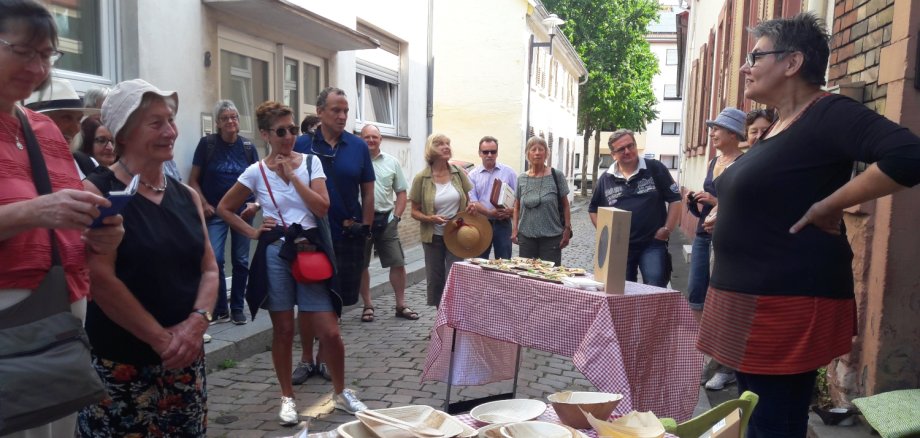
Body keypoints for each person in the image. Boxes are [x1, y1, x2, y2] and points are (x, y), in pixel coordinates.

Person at [699, 13, 920, 438]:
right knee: (757, 415)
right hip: (748, 299)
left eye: (755, 55)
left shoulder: (828, 112)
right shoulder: (777, 125)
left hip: (784, 304)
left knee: (774, 424)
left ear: (792, 62)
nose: (745, 66)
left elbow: (908, 155)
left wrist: (829, 205)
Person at [0, 2, 123, 436]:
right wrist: (35, 211)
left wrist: (99, 235)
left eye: (47, 54)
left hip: (61, 310)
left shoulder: (45, 131)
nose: (37, 66)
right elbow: (42, 211)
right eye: (24, 50)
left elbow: (64, 217)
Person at [78, 79, 219, 436]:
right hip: (122, 366)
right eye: (156, 123)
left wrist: (197, 323)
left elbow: (209, 268)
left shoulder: (186, 196)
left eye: (170, 121)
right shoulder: (96, 191)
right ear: (123, 133)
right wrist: (161, 339)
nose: (170, 131)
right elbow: (99, 279)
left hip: (185, 363)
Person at [217, 101, 367, 424]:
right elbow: (224, 208)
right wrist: (253, 233)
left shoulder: (311, 163)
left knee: (330, 331)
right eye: (281, 131)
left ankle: (340, 392)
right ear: (266, 135)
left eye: (293, 130)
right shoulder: (255, 171)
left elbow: (322, 207)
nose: (288, 137)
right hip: (276, 254)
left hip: (309, 251)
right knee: (283, 330)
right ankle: (287, 397)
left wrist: (293, 177)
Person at [291, 87, 374, 380]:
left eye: (345, 111)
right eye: (336, 110)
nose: (342, 116)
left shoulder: (358, 146)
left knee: (334, 299)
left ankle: (324, 357)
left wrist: (365, 227)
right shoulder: (301, 144)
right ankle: (304, 359)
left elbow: (367, 188)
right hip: (309, 235)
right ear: (320, 111)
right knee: (308, 298)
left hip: (345, 233)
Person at [685, 107, 746, 392]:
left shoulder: (744, 163)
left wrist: (715, 199)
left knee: (723, 300)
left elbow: (741, 201)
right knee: (697, 293)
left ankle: (726, 365)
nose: (711, 133)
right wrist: (698, 202)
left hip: (727, 238)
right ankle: (709, 353)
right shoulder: (713, 161)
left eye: (716, 129)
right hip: (703, 233)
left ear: (733, 133)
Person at [189, 100, 260, 325]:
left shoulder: (248, 148)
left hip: (242, 213)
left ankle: (238, 307)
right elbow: (193, 180)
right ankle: (221, 308)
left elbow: (261, 183)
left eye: (234, 117)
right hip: (216, 212)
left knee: (240, 260)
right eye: (225, 118)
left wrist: (255, 205)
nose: (230, 121)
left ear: (239, 122)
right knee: (215, 257)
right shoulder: (207, 145)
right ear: (218, 123)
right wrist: (204, 204)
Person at [588, 129, 681, 286]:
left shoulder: (655, 168)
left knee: (655, 289)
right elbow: (593, 210)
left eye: (630, 146)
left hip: (653, 243)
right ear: (613, 154)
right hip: (620, 248)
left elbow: (675, 200)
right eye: (621, 149)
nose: (627, 151)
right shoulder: (606, 178)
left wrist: (667, 229)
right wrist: (607, 234)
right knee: (620, 291)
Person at [357, 124, 416, 322]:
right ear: (361, 139)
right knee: (361, 264)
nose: (371, 140)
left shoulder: (392, 162)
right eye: (367, 137)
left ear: (381, 139)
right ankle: (368, 305)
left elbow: (401, 192)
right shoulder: (355, 162)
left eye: (375, 137)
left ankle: (400, 304)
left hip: (386, 219)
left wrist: (397, 217)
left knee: (397, 263)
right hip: (361, 221)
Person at [409, 133, 474, 306]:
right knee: (436, 280)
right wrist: (430, 218)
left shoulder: (458, 173)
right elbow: (414, 211)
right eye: (440, 144)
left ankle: (455, 321)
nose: (446, 147)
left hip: (458, 234)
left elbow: (468, 200)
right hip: (433, 237)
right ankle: (441, 321)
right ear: (431, 149)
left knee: (455, 277)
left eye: (448, 143)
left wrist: (471, 207)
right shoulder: (421, 179)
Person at [511, 136, 571, 266]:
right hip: (526, 237)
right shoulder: (521, 178)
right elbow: (516, 206)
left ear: (546, 153)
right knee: (527, 275)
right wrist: (515, 229)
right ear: (528, 154)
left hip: (551, 237)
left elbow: (565, 205)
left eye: (541, 149)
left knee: (550, 275)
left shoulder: (557, 175)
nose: (537, 152)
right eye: (533, 149)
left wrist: (567, 229)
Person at [467, 135, 517, 260]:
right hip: (481, 223)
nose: (489, 154)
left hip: (503, 223)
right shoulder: (472, 175)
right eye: (485, 152)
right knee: (479, 261)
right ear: (479, 153)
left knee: (504, 262)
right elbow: (473, 201)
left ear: (497, 153)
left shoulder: (509, 172)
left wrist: (511, 211)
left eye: (493, 151)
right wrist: (490, 212)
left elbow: (518, 198)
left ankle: (502, 280)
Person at [24, 76, 97, 145]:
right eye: (66, 118)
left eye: (79, 119)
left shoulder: (80, 158)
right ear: (37, 120)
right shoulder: (19, 157)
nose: (76, 129)